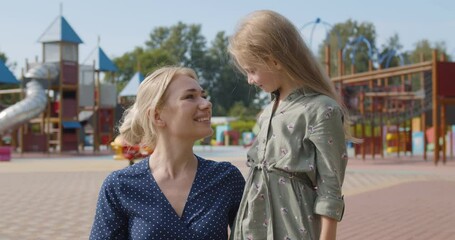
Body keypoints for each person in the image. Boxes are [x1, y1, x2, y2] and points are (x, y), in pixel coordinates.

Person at [228, 10, 358, 240]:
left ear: (274, 60)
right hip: (252, 227)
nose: (249, 80)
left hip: (294, 227)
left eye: (251, 70)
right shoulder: (267, 112)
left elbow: (331, 188)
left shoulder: (321, 109)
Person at [90, 66, 246, 240]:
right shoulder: (120, 186)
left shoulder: (226, 178)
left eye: (203, 96)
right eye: (190, 97)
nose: (206, 103)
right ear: (157, 116)